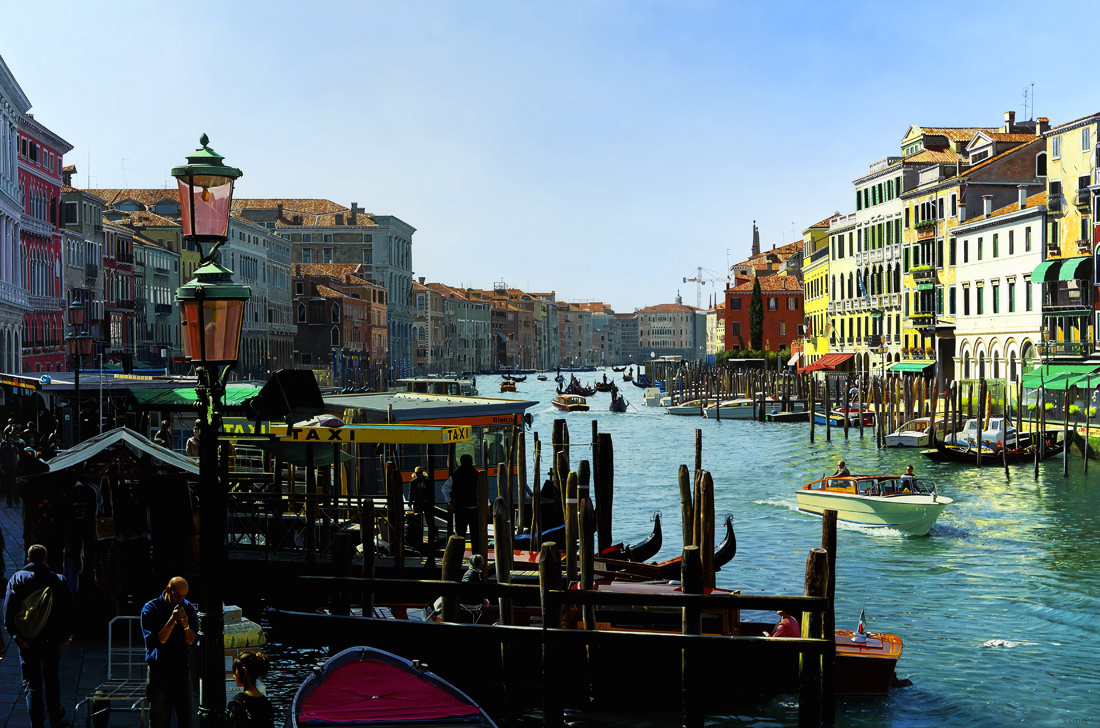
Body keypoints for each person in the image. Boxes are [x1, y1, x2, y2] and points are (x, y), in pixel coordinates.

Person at [3, 544, 76, 728]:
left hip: (28, 640)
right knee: (52, 678)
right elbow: (70, 611)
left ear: (28, 559)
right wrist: (66, 637)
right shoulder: (58, 580)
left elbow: (8, 612)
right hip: (51, 640)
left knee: (31, 684)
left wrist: (16, 637)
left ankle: (36, 723)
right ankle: (55, 718)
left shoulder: (17, 579)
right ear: (46, 559)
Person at [141, 577, 198, 728]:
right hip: (159, 670)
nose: (181, 600)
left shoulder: (188, 608)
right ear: (168, 591)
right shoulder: (151, 608)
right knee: (159, 717)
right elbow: (160, 639)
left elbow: (192, 640)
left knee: (186, 717)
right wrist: (173, 620)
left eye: (184, 596)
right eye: (177, 595)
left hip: (181, 669)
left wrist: (186, 626)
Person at [225, 651, 276, 728]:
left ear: (244, 671)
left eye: (235, 672)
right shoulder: (266, 703)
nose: (234, 676)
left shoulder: (237, 703)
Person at [448, 454, 481, 555]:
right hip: (473, 508)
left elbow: (444, 489)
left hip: (460, 509)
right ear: (471, 462)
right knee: (475, 535)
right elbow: (482, 492)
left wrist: (449, 502)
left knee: (460, 534)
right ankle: (475, 556)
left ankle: (459, 555)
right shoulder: (476, 475)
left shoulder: (456, 475)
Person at [408, 466, 434, 552]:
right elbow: (411, 492)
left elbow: (430, 491)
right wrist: (410, 502)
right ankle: (419, 538)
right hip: (418, 503)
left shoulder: (426, 481)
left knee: (428, 520)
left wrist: (429, 500)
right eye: (417, 473)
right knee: (418, 521)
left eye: (419, 473)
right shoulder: (413, 482)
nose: (418, 474)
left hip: (425, 503)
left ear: (422, 473)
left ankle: (431, 537)